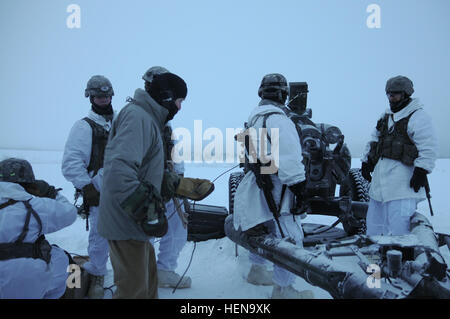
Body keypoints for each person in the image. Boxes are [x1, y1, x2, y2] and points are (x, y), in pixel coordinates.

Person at [98, 69, 213, 299]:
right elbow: (118, 174)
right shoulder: (137, 118)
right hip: (125, 224)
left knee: (148, 289)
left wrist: (178, 184)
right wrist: (149, 211)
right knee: (134, 293)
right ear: (168, 97)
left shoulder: (147, 119)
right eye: (179, 101)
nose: (180, 107)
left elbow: (141, 172)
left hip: (133, 226)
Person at [233, 73, 314, 299]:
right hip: (279, 186)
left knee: (265, 225)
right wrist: (300, 188)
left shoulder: (255, 118)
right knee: (289, 237)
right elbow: (289, 158)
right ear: (284, 95)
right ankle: (283, 289)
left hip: (260, 182)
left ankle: (257, 270)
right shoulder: (279, 120)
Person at [361, 75, 438, 236]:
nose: (391, 97)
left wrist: (421, 170)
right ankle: (375, 257)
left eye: (395, 94)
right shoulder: (386, 116)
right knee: (374, 226)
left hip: (402, 184)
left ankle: (400, 259)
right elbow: (374, 139)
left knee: (399, 229)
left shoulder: (418, 117)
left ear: (405, 94)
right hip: (380, 183)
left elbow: (428, 147)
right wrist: (366, 160)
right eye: (389, 94)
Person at [61, 75, 115, 298]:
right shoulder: (84, 127)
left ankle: (129, 276)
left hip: (126, 187)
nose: (104, 100)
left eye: (107, 96)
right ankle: (98, 276)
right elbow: (70, 163)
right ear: (90, 98)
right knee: (100, 236)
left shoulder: (121, 121)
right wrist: (87, 187)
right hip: (100, 189)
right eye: (99, 96)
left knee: (129, 236)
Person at [142, 66, 191, 289]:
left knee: (178, 229)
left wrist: (179, 179)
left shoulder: (166, 122)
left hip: (168, 186)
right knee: (147, 230)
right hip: (145, 189)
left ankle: (164, 270)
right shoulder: (139, 118)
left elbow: (174, 152)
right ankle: (141, 273)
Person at [0, 158, 77, 298]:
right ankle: (73, 290)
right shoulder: (35, 206)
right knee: (63, 258)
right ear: (29, 183)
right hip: (28, 282)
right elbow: (70, 213)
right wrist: (51, 193)